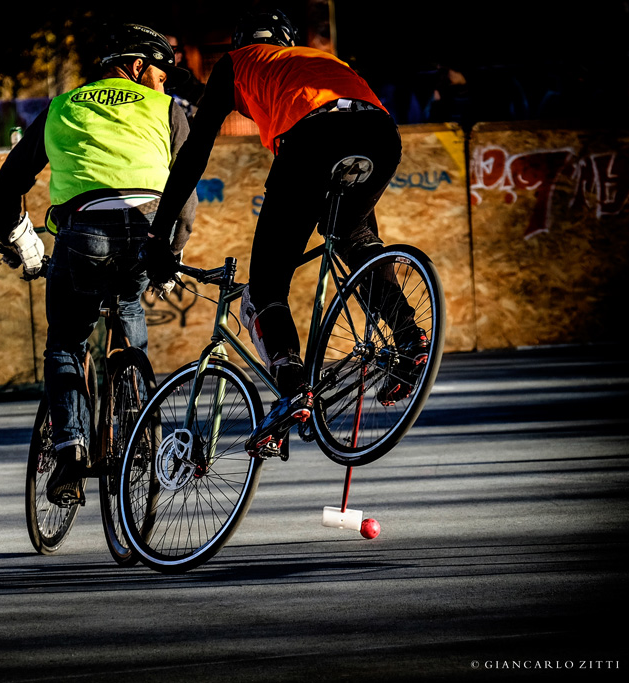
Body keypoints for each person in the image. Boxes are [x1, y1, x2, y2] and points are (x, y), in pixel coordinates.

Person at [142, 9, 427, 454]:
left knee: (266, 285)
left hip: (314, 139)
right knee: (355, 239)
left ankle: (293, 388)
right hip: (379, 132)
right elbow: (235, 100)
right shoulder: (312, 59)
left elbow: (195, 152)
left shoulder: (237, 62)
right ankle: (409, 338)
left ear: (240, 44)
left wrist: (158, 236)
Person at [0, 23, 197, 506]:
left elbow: (5, 188)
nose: (162, 84)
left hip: (83, 232)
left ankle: (70, 454)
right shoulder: (167, 109)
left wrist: (20, 238)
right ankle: (137, 425)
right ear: (138, 66)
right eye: (161, 74)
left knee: (66, 342)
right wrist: (173, 251)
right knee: (129, 304)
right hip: (147, 227)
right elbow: (185, 186)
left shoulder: (62, 106)